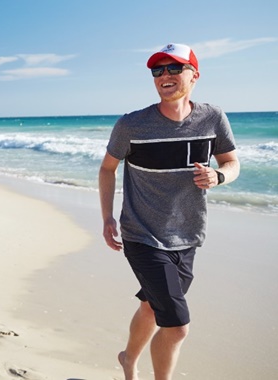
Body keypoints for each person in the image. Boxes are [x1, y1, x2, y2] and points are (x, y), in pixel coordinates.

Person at [98, 43, 240, 380]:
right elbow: (107, 169)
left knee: (151, 305)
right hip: (142, 235)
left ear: (194, 75)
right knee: (177, 327)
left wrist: (219, 176)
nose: (165, 75)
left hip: (188, 235)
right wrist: (107, 217)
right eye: (158, 70)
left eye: (174, 68)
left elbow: (232, 163)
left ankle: (128, 359)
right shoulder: (131, 125)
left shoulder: (212, 118)